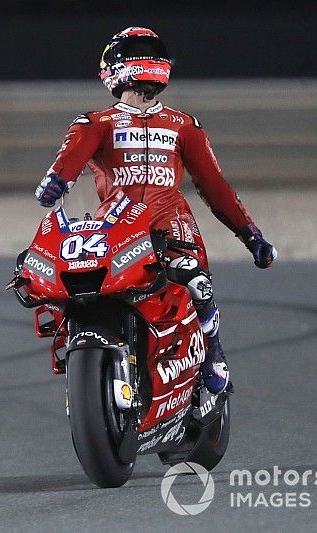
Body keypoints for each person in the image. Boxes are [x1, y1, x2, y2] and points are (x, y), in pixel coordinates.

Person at [34, 26, 276, 394]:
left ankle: (212, 349)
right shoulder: (95, 123)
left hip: (170, 222)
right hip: (116, 226)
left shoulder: (184, 126)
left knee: (195, 279)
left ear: (113, 69)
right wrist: (56, 182)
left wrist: (251, 234)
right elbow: (68, 163)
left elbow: (214, 187)